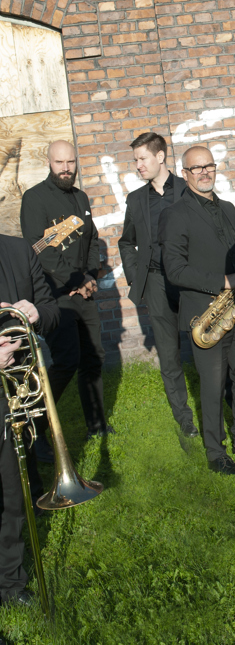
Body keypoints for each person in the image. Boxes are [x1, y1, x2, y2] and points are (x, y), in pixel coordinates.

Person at [159, 146, 235, 474]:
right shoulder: (174, 215)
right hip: (205, 314)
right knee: (214, 386)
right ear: (184, 174)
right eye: (196, 168)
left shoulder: (230, 208)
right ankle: (216, 454)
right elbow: (174, 270)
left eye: (209, 166)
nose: (204, 172)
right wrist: (224, 281)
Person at [20, 140, 111, 444]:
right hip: (54, 295)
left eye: (70, 162)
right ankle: (35, 429)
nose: (66, 168)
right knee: (66, 360)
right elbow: (39, 250)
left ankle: (97, 425)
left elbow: (92, 239)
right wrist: (75, 281)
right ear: (50, 163)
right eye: (60, 163)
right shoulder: (34, 199)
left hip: (81, 290)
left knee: (93, 357)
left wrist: (88, 274)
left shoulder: (80, 197)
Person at [118, 132, 197, 437]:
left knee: (211, 345)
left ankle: (230, 405)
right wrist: (137, 276)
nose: (137, 165)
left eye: (142, 158)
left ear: (161, 156)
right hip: (155, 282)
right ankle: (185, 421)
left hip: (191, 281)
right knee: (168, 354)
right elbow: (127, 242)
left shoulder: (188, 189)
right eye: (135, 159)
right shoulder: (136, 199)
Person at [0, 233, 59, 609]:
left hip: (12, 396)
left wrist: (37, 313)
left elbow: (51, 310)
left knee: (11, 496)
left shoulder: (18, 250)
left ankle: (9, 583)